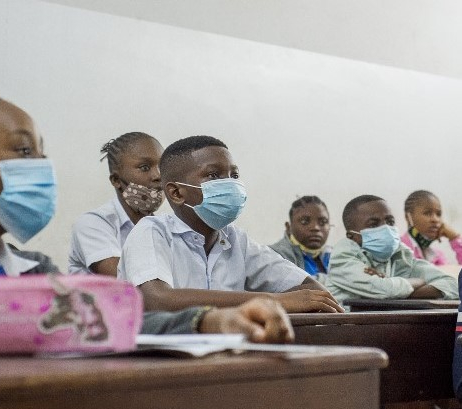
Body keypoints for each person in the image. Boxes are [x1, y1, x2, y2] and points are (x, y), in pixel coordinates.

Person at [0, 62, 293, 359]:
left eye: (41, 152)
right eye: (23, 152)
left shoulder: (34, 274)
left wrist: (211, 321)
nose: (42, 168)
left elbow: (119, 321)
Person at [118, 135, 344, 313]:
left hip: (226, 358)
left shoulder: (236, 241)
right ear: (177, 193)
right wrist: (275, 302)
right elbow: (157, 299)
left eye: (233, 175)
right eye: (213, 176)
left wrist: (296, 301)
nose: (229, 183)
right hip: (159, 362)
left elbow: (312, 292)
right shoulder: (152, 231)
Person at [325, 194, 458, 303]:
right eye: (374, 224)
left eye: (390, 222)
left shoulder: (401, 254)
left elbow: (453, 285)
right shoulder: (342, 257)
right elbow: (385, 290)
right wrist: (419, 281)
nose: (386, 228)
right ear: (352, 236)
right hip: (345, 330)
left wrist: (399, 290)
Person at [68, 132, 164, 276]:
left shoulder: (165, 227)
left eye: (162, 166)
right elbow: (126, 281)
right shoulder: (93, 223)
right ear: (116, 180)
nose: (158, 175)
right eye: (145, 167)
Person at [270, 195, 332, 282]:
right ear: (288, 227)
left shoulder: (334, 254)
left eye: (323, 222)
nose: (315, 227)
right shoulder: (274, 256)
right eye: (305, 221)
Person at [401, 190, 462, 266]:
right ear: (408, 217)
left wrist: (455, 238)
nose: (435, 219)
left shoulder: (437, 256)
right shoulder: (398, 250)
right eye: (427, 213)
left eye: (438, 214)